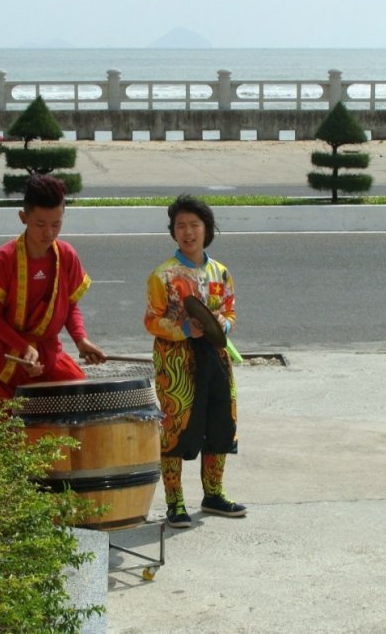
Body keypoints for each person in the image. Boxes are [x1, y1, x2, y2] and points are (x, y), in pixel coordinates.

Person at [144, 194, 246, 528]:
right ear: (173, 232)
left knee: (220, 419)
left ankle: (213, 494)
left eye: (194, 225)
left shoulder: (222, 272)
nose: (187, 232)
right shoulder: (163, 276)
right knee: (178, 424)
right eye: (180, 226)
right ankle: (175, 503)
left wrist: (224, 324)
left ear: (207, 229)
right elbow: (151, 320)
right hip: (177, 362)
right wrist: (183, 328)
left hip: (215, 357)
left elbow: (229, 310)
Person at [0, 173, 105, 407]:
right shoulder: (0, 259)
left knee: (82, 403)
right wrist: (24, 347)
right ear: (23, 217)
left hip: (48, 353)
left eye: (56, 224)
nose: (49, 233)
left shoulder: (67, 255)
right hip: (5, 355)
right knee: (10, 431)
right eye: (40, 224)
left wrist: (81, 340)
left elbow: (70, 306)